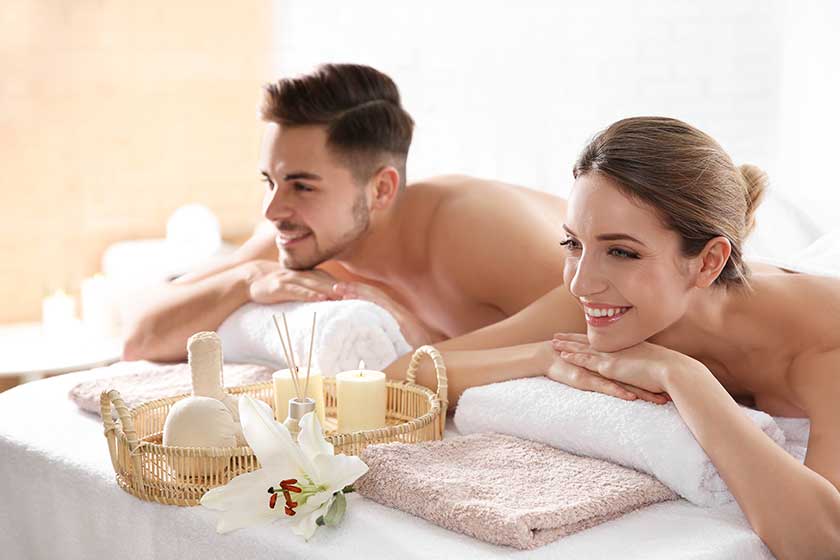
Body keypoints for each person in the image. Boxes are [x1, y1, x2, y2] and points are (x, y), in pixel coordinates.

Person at [386, 117, 840, 558]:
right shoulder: (613, 301)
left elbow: (822, 543)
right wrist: (545, 356)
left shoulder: (826, 350)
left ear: (707, 263)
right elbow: (402, 375)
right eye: (573, 244)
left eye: (621, 252)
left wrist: (685, 378)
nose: (581, 283)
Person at [121, 63, 594, 379]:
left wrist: (421, 343)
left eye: (302, 186)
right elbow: (140, 336)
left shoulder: (473, 227)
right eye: (270, 181)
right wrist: (245, 281)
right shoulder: (296, 238)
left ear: (382, 189)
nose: (272, 210)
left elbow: (608, 317)